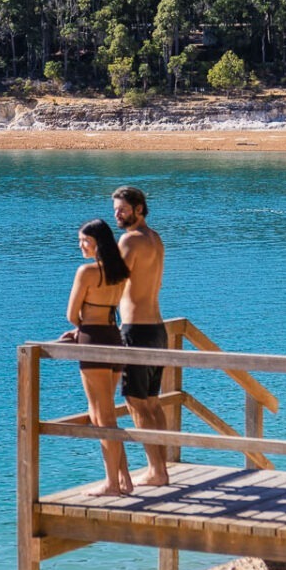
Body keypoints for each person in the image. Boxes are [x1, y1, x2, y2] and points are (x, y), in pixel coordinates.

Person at [67, 218, 133, 495]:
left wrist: (78, 329)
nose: (81, 245)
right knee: (105, 414)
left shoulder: (87, 272)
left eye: (86, 241)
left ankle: (112, 484)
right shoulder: (120, 272)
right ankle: (124, 479)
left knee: (101, 416)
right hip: (113, 338)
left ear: (97, 244)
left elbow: (72, 315)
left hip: (92, 339)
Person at [113, 186, 171, 487]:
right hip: (158, 330)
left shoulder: (130, 241)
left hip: (135, 329)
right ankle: (161, 467)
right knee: (152, 402)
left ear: (138, 209)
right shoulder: (155, 239)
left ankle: (156, 470)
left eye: (122, 209)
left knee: (136, 402)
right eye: (115, 210)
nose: (117, 215)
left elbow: (114, 284)